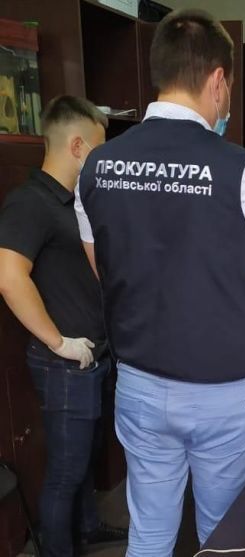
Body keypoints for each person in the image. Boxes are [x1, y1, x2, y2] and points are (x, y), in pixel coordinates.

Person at [74, 9, 245, 555]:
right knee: (223, 534)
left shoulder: (96, 167)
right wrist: (219, 331)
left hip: (139, 384)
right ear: (218, 81)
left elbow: (107, 270)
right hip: (222, 390)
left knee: (150, 531)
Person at [0, 96, 127, 557]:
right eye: (99, 148)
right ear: (77, 146)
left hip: (92, 353)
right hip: (64, 362)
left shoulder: (75, 202)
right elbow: (8, 276)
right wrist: (57, 342)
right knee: (65, 471)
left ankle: (87, 528)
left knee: (87, 455)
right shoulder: (30, 202)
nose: (103, 159)